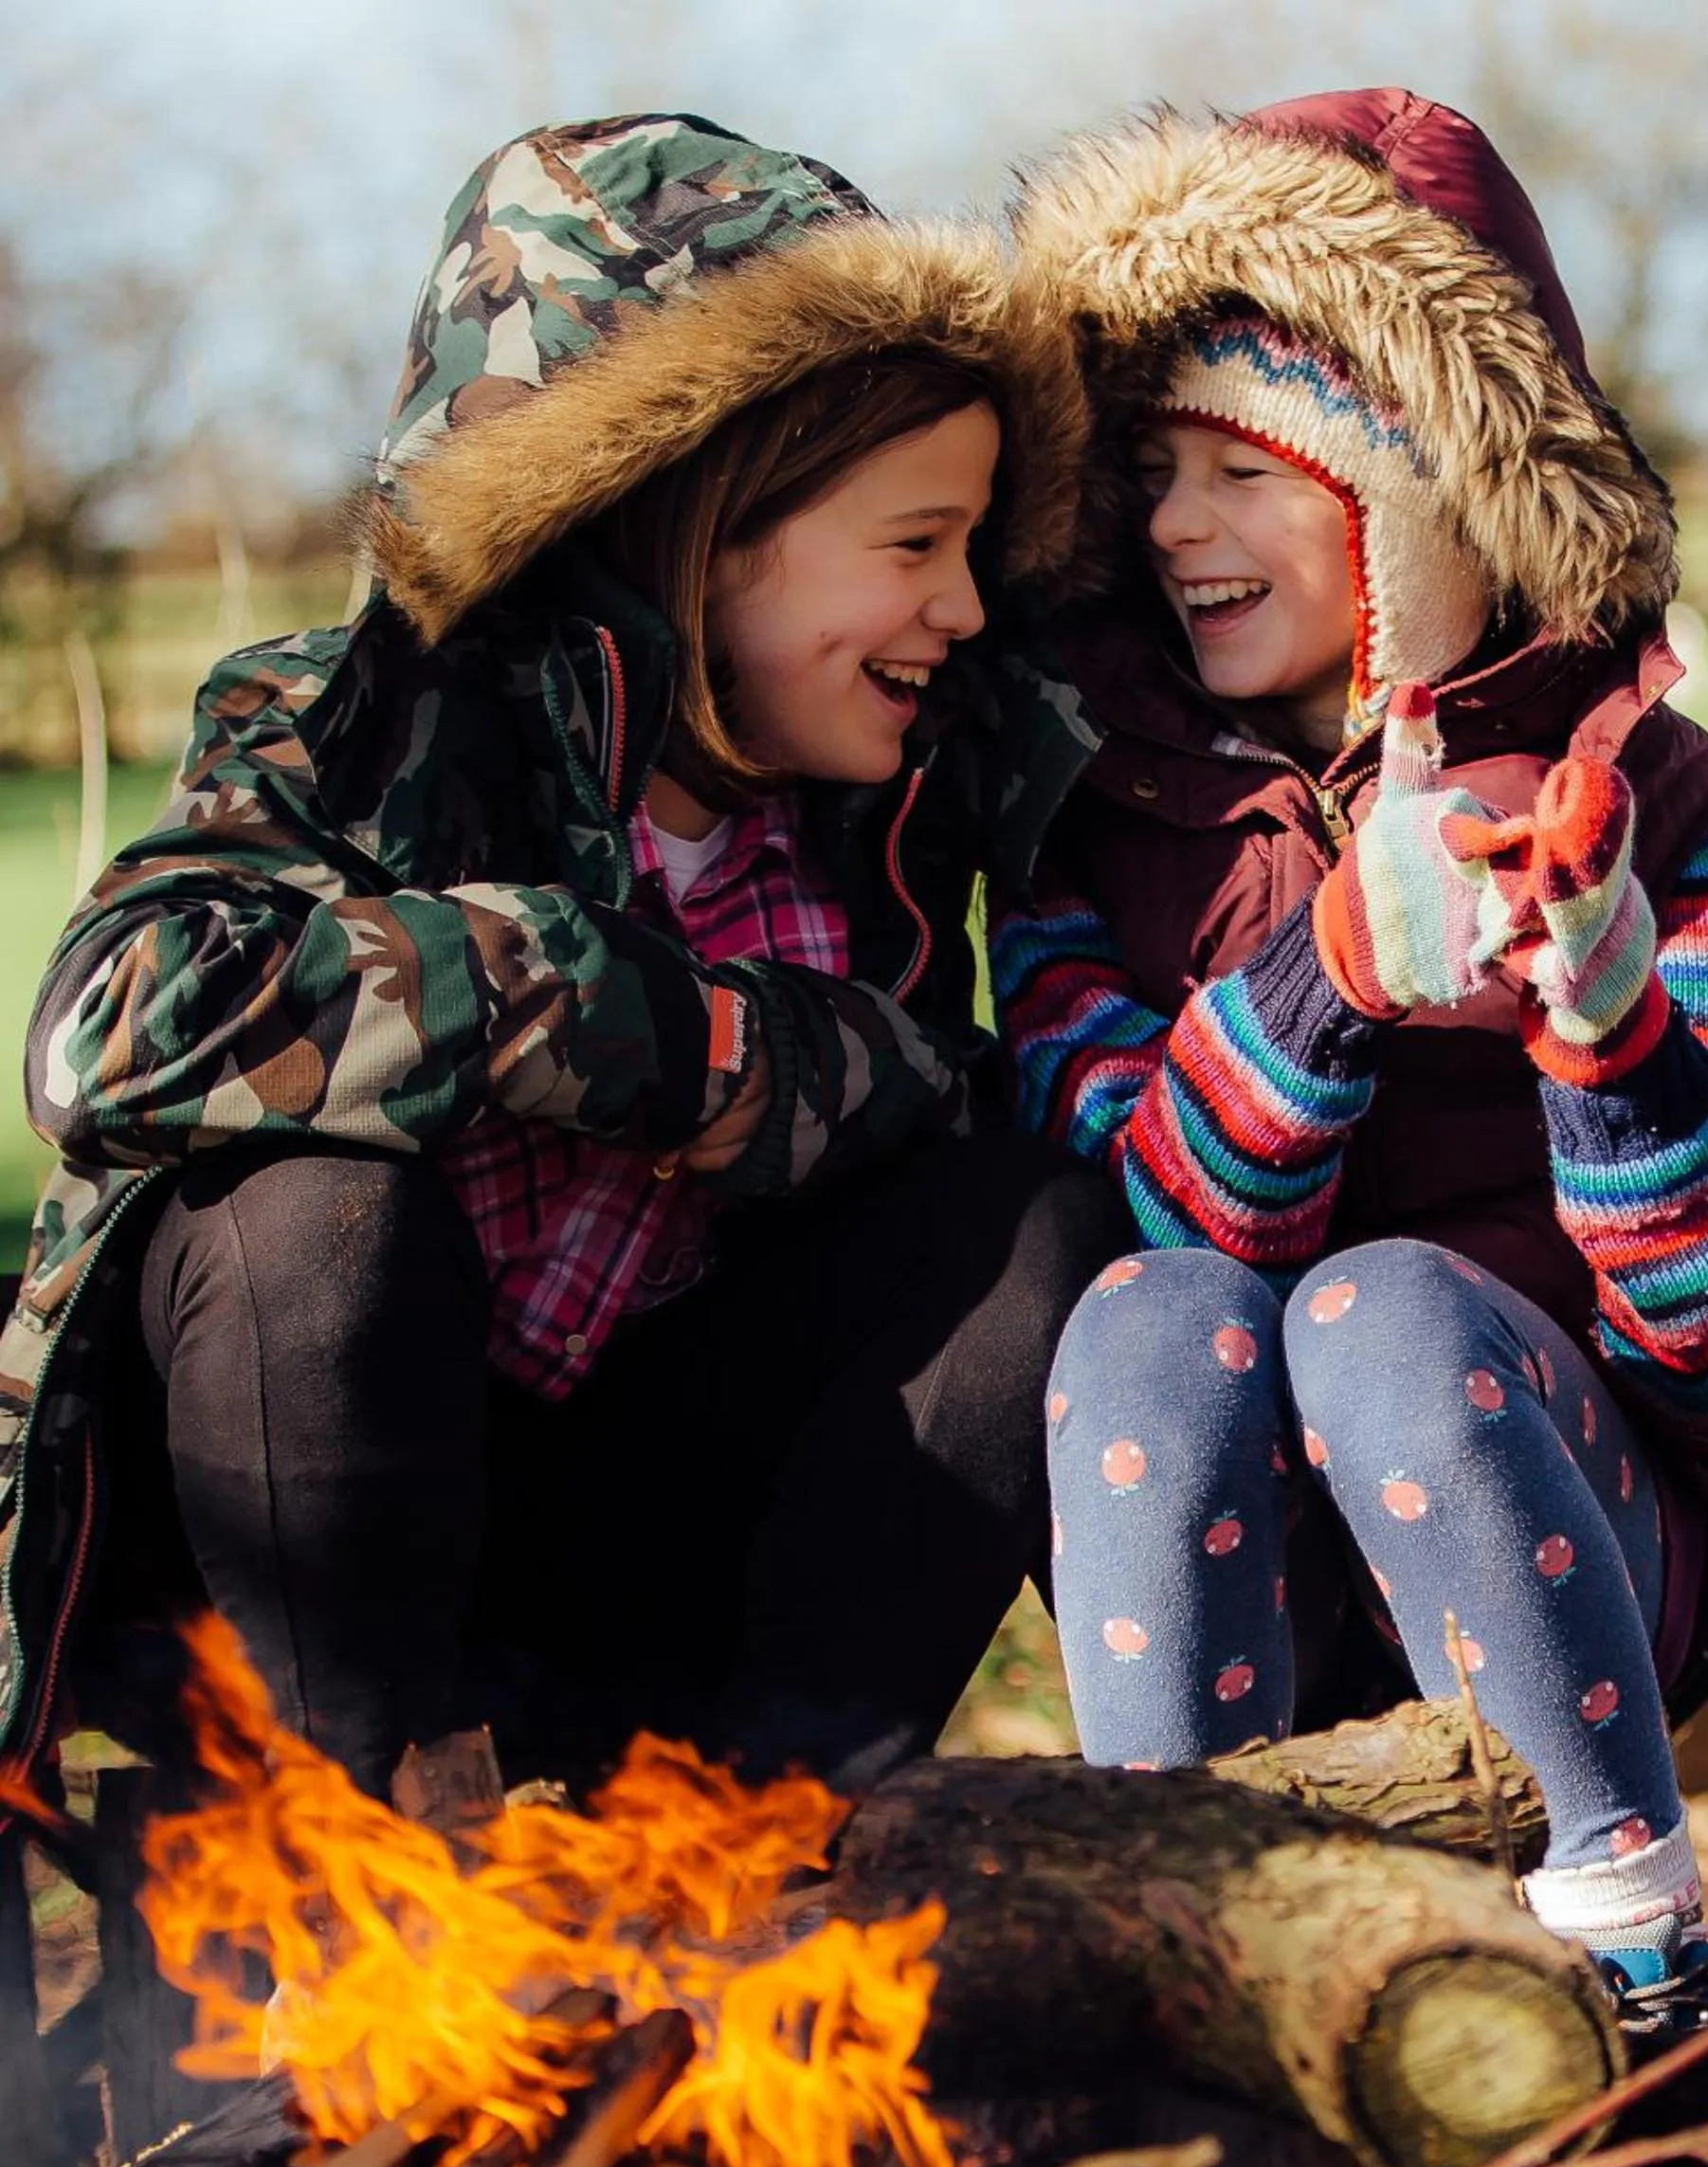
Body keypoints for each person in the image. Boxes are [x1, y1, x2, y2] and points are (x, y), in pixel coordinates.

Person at [6, 115, 1127, 1803]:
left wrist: (759, 1059)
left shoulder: (878, 817)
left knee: (1024, 1215)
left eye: (971, 548)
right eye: (914, 546)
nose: (963, 607)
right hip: (297, 1542)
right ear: (695, 518)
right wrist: (571, 992)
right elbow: (100, 1030)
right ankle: (339, 1857)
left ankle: (771, 1840)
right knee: (317, 1208)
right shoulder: (353, 720)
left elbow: (933, 1101)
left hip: (616, 1540)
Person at [1000, 90, 1708, 2030]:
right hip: (1224, 1548)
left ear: (1421, 487)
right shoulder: (1085, 825)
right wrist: (1323, 984)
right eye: (1152, 474)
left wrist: (1619, 1046)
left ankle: (1632, 1950)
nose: (1175, 527)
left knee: (1385, 1314)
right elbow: (1145, 1222)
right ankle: (1184, 1948)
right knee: (1150, 1315)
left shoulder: (1657, 806)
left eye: (1243, 468)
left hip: (1578, 1535)